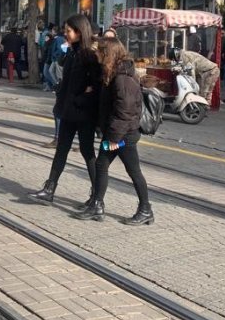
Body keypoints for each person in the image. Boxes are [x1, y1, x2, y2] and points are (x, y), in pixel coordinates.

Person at [75, 38, 153, 225]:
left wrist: (113, 138)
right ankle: (97, 204)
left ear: (109, 53)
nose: (97, 55)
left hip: (123, 135)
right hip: (117, 132)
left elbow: (125, 111)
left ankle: (145, 209)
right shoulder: (115, 73)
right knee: (102, 165)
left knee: (133, 170)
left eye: (101, 52)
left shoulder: (122, 78)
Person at [28, 14, 101, 205]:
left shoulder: (90, 55)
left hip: (83, 113)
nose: (65, 34)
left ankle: (97, 195)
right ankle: (49, 188)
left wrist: (79, 98)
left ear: (79, 31)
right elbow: (68, 79)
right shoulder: (73, 51)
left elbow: (95, 86)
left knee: (87, 152)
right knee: (61, 149)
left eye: (68, 30)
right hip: (68, 110)